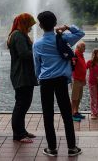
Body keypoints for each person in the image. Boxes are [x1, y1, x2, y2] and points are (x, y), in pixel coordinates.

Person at [33, 11, 84, 157]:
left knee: (47, 115)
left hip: (46, 82)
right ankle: (72, 148)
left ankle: (52, 148)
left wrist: (39, 78)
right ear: (55, 24)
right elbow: (81, 33)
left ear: (40, 25)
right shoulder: (64, 38)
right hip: (61, 81)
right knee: (67, 114)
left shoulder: (37, 44)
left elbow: (37, 66)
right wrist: (67, 27)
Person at [7, 13, 38, 143]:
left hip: (23, 74)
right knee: (21, 104)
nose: (31, 28)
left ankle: (22, 131)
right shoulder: (18, 36)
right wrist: (38, 52)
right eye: (29, 25)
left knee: (24, 103)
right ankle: (18, 135)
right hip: (21, 75)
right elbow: (24, 54)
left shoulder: (19, 34)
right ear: (24, 24)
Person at [71, 42, 87, 121]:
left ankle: (76, 111)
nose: (85, 48)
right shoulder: (75, 55)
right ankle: (72, 114)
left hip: (81, 79)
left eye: (85, 46)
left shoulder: (81, 55)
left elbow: (83, 67)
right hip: (76, 79)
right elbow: (72, 63)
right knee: (74, 97)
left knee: (79, 97)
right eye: (83, 46)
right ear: (78, 47)